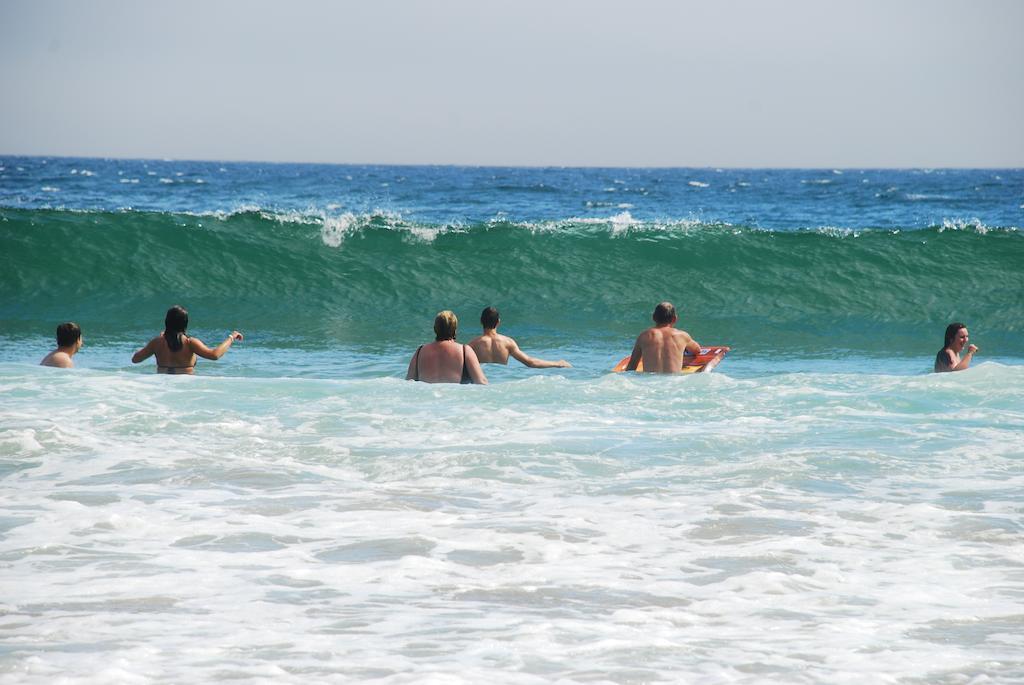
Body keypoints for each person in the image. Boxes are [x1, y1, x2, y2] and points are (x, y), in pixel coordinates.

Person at [132, 305, 242, 374]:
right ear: (185, 323)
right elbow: (214, 355)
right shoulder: (190, 343)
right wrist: (231, 337)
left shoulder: (157, 342)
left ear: (167, 321)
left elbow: (135, 359)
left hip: (162, 386)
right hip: (185, 387)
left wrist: (156, 343)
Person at [468, 306, 571, 369]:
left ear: (481, 321)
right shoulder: (508, 343)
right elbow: (530, 362)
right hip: (501, 382)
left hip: (482, 385)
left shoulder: (473, 344)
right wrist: (557, 363)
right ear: (498, 322)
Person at [406, 310, 487, 384]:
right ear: (455, 330)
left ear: (435, 329)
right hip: (452, 398)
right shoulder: (464, 351)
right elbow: (481, 382)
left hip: (427, 399)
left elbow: (408, 382)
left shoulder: (420, 351)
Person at [625, 301, 701, 373]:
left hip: (650, 382)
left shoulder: (644, 336)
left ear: (653, 318)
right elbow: (697, 350)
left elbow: (632, 366)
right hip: (674, 382)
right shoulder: (682, 336)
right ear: (675, 319)